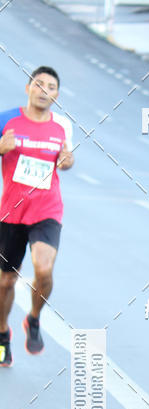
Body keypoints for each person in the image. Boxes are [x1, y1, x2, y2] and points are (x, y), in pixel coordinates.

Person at [0, 66, 74, 367]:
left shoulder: (61, 126)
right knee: (5, 282)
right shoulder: (7, 120)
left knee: (43, 270)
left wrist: (68, 161)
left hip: (47, 209)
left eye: (51, 87)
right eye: (39, 84)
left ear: (56, 95)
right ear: (28, 87)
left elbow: (66, 157)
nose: (44, 90)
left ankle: (33, 319)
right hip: (11, 212)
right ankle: (3, 333)